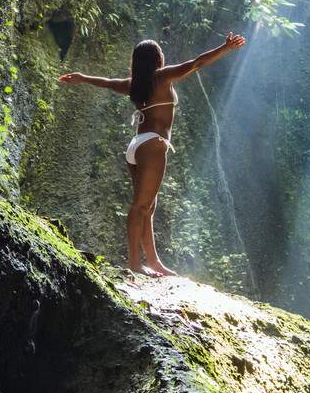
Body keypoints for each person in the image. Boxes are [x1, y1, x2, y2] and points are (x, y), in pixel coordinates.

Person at [59, 32, 246, 276]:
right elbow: (196, 63)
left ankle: (154, 261)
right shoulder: (161, 77)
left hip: (136, 146)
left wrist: (83, 77)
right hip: (153, 146)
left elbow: (106, 81)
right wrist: (224, 48)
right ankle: (135, 264)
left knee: (148, 206)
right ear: (157, 58)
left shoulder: (133, 84)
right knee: (140, 206)